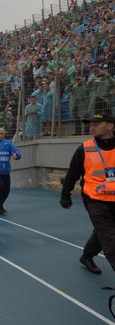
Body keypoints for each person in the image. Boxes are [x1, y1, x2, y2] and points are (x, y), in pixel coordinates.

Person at [60, 113, 115, 275]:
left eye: (97, 124)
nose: (91, 127)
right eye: (90, 124)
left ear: (111, 126)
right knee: (110, 237)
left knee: (102, 231)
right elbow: (72, 173)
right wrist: (65, 195)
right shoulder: (85, 148)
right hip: (95, 199)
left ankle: (87, 256)